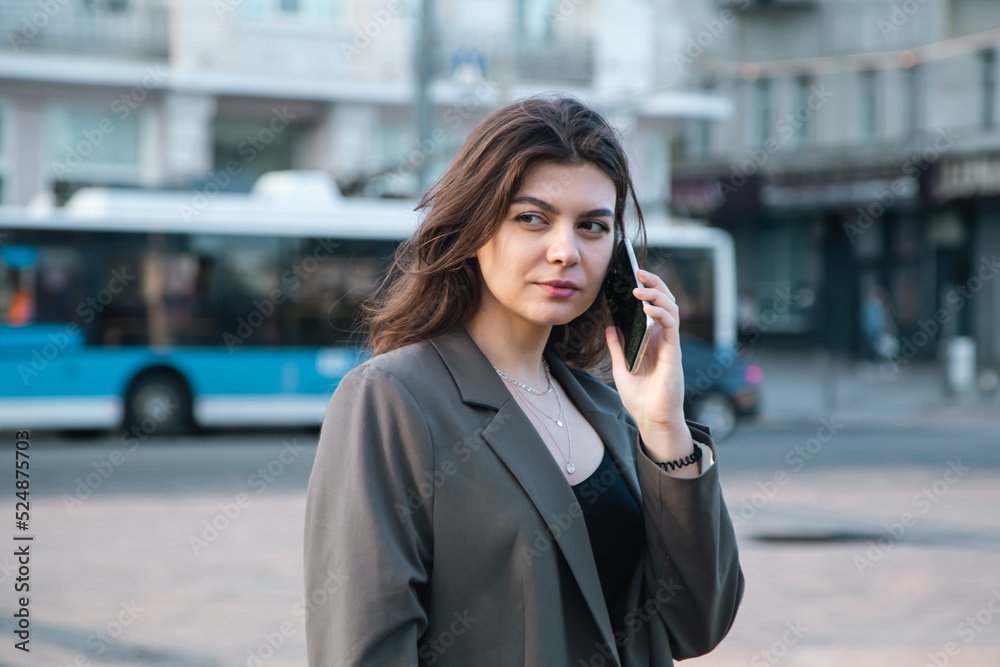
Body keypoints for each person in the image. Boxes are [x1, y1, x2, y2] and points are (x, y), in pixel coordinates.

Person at [304, 95, 744, 666]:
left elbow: (696, 624)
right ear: (475, 227)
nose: (565, 252)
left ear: (618, 255)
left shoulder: (608, 409)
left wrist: (663, 428)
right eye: (531, 218)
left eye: (592, 226)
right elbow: (362, 648)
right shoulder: (392, 400)